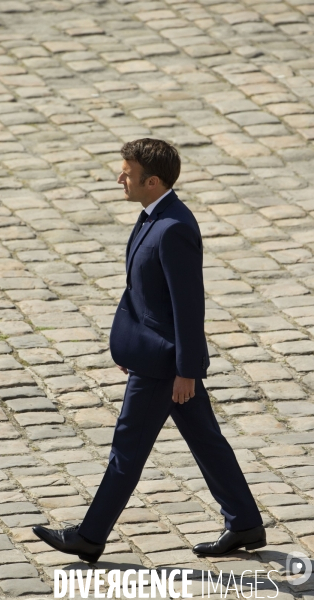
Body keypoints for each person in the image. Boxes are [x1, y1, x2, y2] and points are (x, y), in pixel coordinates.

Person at [33, 138, 265, 562]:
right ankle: (245, 522)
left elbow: (188, 307)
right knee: (206, 440)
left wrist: (186, 371)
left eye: (127, 172)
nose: (119, 177)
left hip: (165, 367)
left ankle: (90, 535)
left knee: (128, 448)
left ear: (153, 182)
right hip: (154, 357)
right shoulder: (151, 217)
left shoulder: (174, 228)